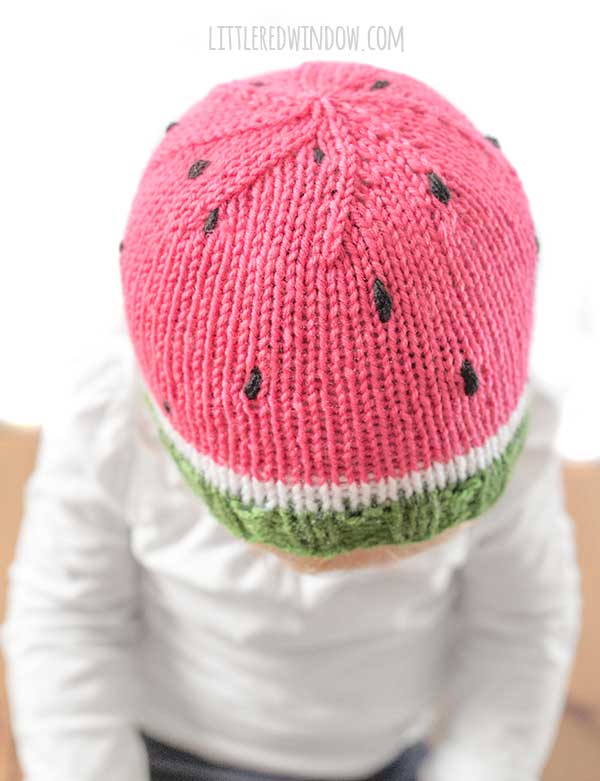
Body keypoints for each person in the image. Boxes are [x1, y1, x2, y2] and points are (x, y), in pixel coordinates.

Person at [1, 61, 582, 781]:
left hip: (387, 760)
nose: (336, 582)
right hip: (165, 748)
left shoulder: (505, 436)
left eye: (406, 542)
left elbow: (522, 630)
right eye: (300, 546)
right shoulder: (112, 416)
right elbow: (66, 622)